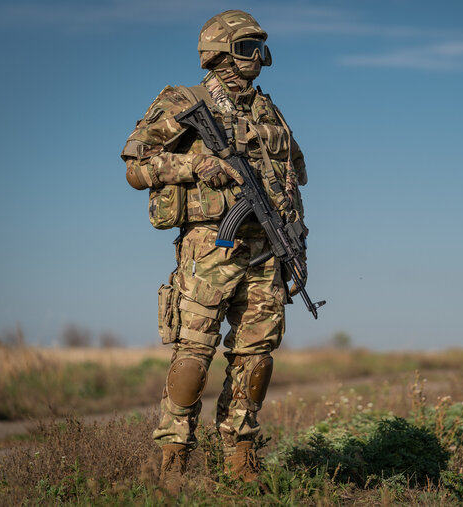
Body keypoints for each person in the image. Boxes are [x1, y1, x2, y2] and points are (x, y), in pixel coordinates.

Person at [120, 10, 309, 493]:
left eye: (261, 49)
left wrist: (298, 243)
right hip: (211, 250)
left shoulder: (268, 111)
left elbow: (291, 180)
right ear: (220, 50)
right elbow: (136, 166)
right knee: (194, 355)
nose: (258, 60)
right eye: (247, 48)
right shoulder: (186, 101)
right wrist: (195, 165)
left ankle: (241, 460)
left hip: (267, 250)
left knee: (257, 355)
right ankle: (172, 461)